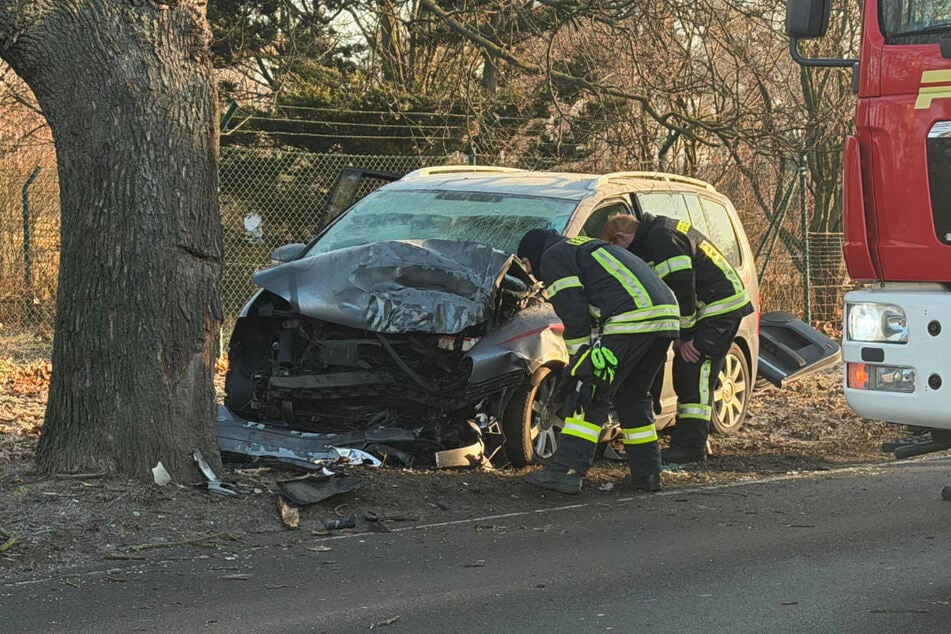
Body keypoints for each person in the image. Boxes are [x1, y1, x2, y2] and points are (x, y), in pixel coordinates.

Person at [516, 229, 680, 494]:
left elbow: (573, 310)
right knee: (633, 395)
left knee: (587, 389)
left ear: (530, 256)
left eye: (527, 267)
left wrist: (580, 359)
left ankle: (568, 471)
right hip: (666, 317)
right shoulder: (584, 247)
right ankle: (648, 473)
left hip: (631, 319)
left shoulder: (553, 256)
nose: (533, 275)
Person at [601, 213, 754, 463]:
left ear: (621, 238)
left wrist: (685, 337)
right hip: (714, 306)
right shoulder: (658, 233)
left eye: (616, 248)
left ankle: (692, 446)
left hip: (718, 309)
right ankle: (694, 441)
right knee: (690, 372)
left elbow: (681, 285)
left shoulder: (661, 238)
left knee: (696, 371)